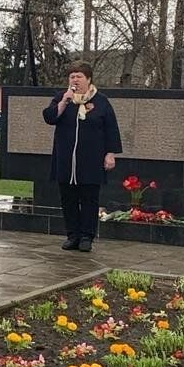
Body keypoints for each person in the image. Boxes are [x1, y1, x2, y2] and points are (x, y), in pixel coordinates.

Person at [42, 61, 122, 253]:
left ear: (88, 79)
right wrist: (64, 101)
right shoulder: (62, 98)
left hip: (91, 160)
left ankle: (87, 237)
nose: (75, 80)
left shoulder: (101, 101)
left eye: (79, 76)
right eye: (72, 76)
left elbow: (111, 128)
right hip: (66, 160)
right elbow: (49, 117)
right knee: (68, 199)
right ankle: (72, 236)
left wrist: (110, 153)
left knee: (89, 199)